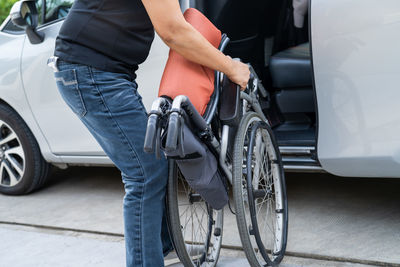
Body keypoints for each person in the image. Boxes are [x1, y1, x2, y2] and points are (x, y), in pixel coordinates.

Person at [49, 0, 250, 266]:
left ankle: (161, 249)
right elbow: (172, 31)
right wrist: (230, 66)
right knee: (145, 172)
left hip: (101, 73)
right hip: (92, 73)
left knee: (153, 163)